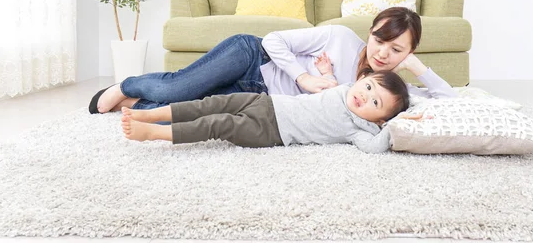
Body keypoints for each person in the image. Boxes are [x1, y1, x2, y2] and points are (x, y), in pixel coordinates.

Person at [90, 7, 456, 114]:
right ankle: (124, 85)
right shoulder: (341, 38)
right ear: (371, 31)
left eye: (396, 50)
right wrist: (303, 78)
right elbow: (273, 40)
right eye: (380, 40)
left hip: (258, 96)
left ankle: (137, 101)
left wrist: (417, 67)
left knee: (186, 106)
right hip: (250, 59)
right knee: (180, 86)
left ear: (408, 52)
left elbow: (449, 100)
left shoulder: (391, 87)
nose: (382, 53)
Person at [120, 70, 423, 154]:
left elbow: (374, 147)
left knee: (218, 123)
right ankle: (150, 114)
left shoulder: (359, 129)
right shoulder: (345, 88)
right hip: (266, 102)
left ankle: (154, 134)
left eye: (375, 103)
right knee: (210, 103)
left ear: (380, 119)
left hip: (270, 132)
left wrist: (395, 126)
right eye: (369, 87)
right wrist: (325, 71)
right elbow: (330, 83)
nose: (364, 97)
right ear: (362, 79)